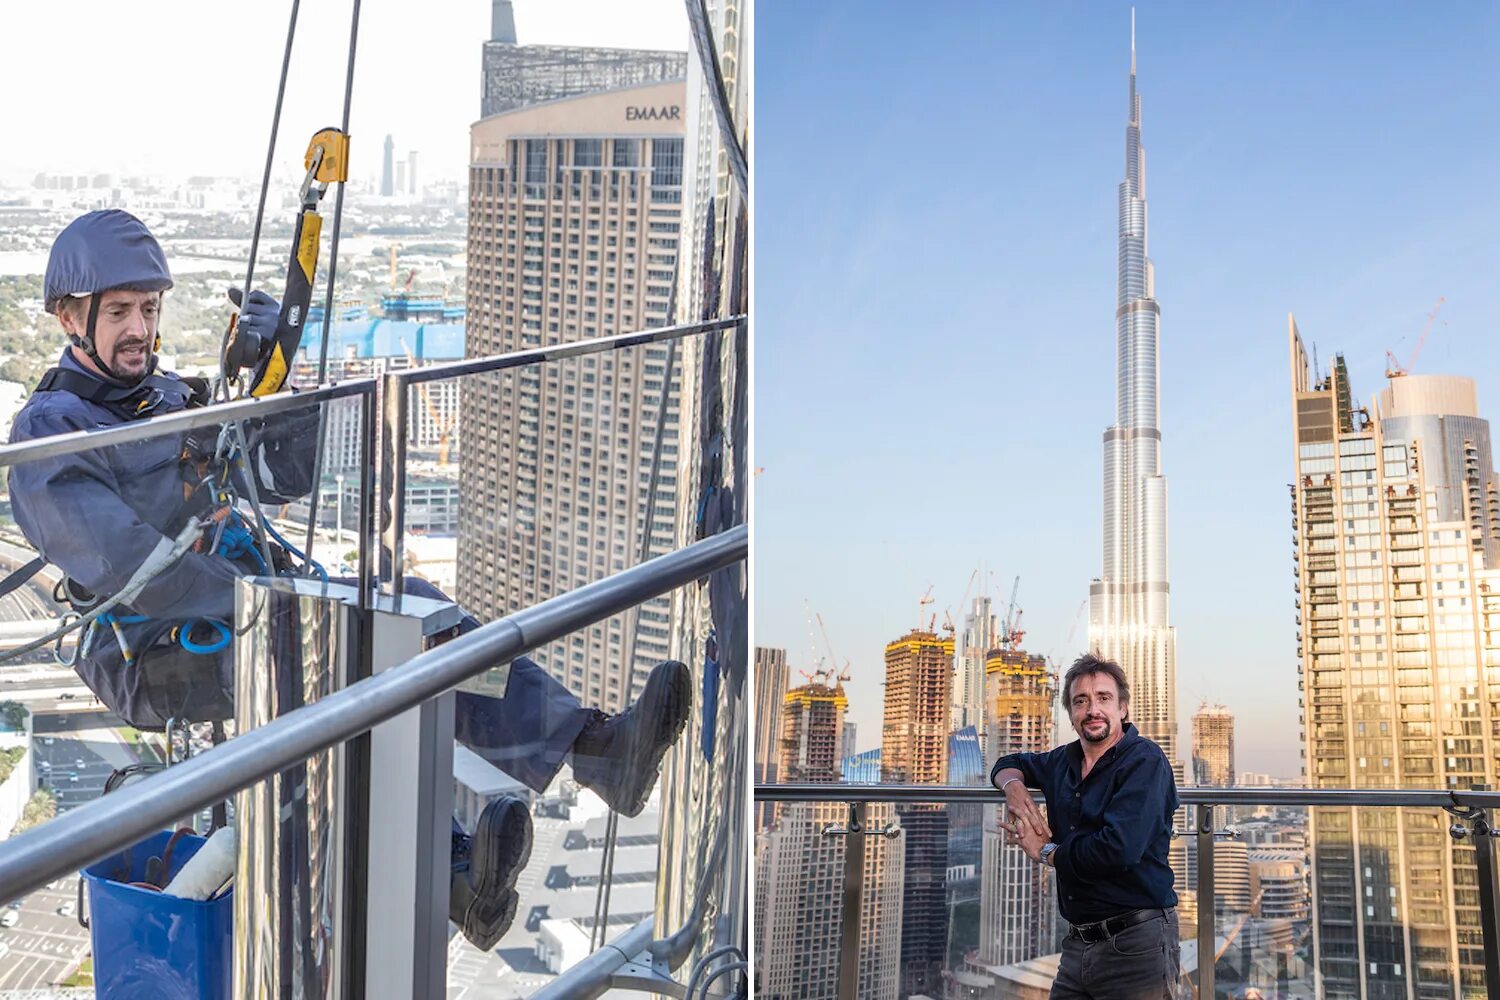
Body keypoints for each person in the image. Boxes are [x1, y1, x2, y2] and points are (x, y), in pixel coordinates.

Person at [7, 209, 692, 950]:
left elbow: (280, 477)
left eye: (148, 308)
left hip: (241, 604)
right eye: (119, 312)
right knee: (345, 655)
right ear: (70, 318)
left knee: (413, 612)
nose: (139, 327)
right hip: (147, 651)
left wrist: (280, 382)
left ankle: (595, 750)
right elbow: (132, 571)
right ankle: (456, 871)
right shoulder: (52, 434)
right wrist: (289, 608)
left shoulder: (171, 401)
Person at [990, 653, 1180, 1000]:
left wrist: (1047, 853)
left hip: (1137, 943)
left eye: (1103, 698)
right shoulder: (1062, 760)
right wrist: (1013, 789)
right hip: (1078, 943)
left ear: (1123, 708)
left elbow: (1117, 849)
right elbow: (1007, 763)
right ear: (1072, 715)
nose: (1092, 709)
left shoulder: (1145, 761)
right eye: (1081, 701)